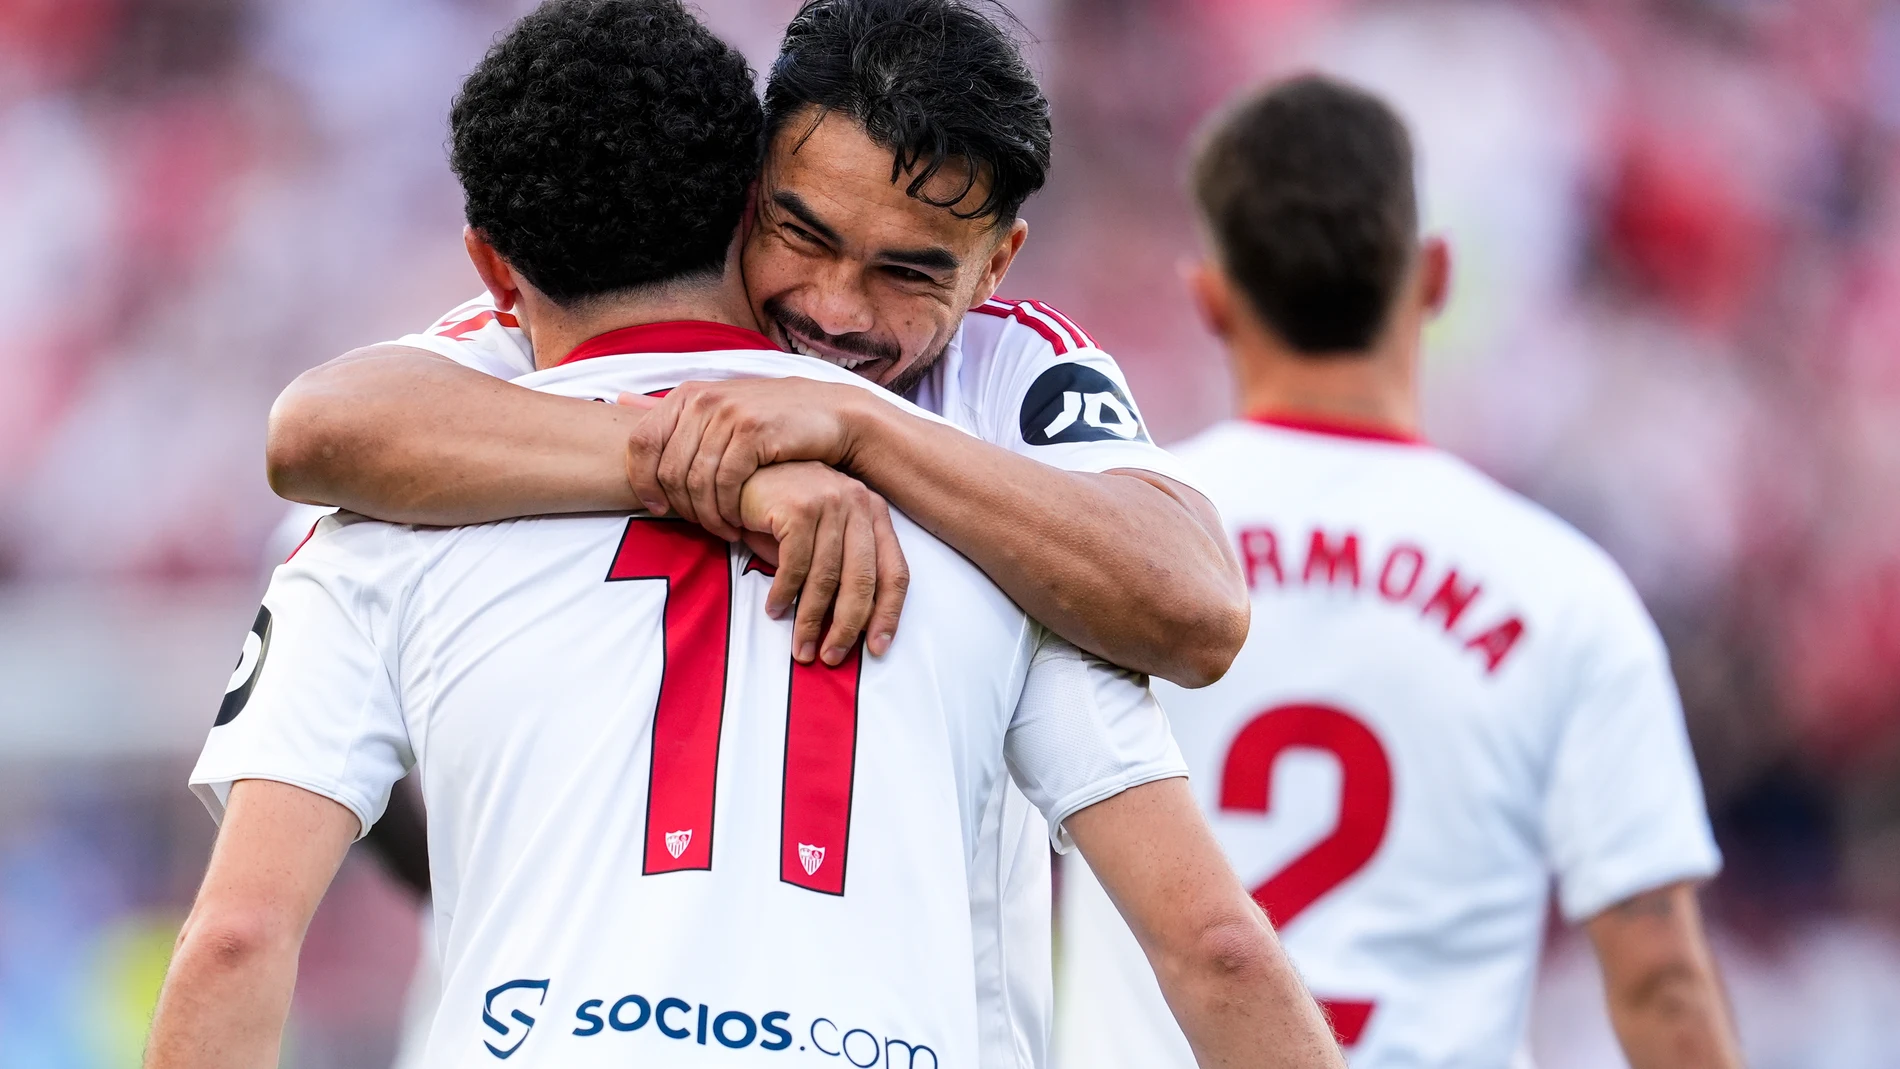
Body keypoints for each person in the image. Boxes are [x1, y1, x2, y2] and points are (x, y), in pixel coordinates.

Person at [143, 5, 1345, 1068]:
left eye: (908, 273)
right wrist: (722, 472)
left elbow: (1194, 608)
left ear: (997, 268)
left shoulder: (1011, 409)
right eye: (805, 235)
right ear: (740, 193)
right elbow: (316, 425)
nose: (833, 312)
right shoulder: (998, 553)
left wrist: (862, 434)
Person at [1054, 75, 1743, 1069]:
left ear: (1208, 296)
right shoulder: (1561, 589)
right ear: (1433, 277)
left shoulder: (1107, 546)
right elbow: (1659, 977)